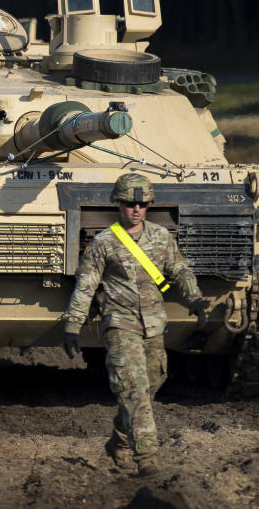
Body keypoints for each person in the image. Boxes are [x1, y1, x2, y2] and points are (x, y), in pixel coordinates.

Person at [62, 173, 210, 476]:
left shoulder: (160, 237)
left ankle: (119, 442)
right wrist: (73, 325)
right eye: (130, 203)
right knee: (134, 387)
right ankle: (147, 457)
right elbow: (86, 286)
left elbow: (179, 269)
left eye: (142, 204)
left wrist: (194, 298)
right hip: (120, 324)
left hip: (154, 324)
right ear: (119, 204)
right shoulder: (103, 243)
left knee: (152, 384)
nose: (136, 209)